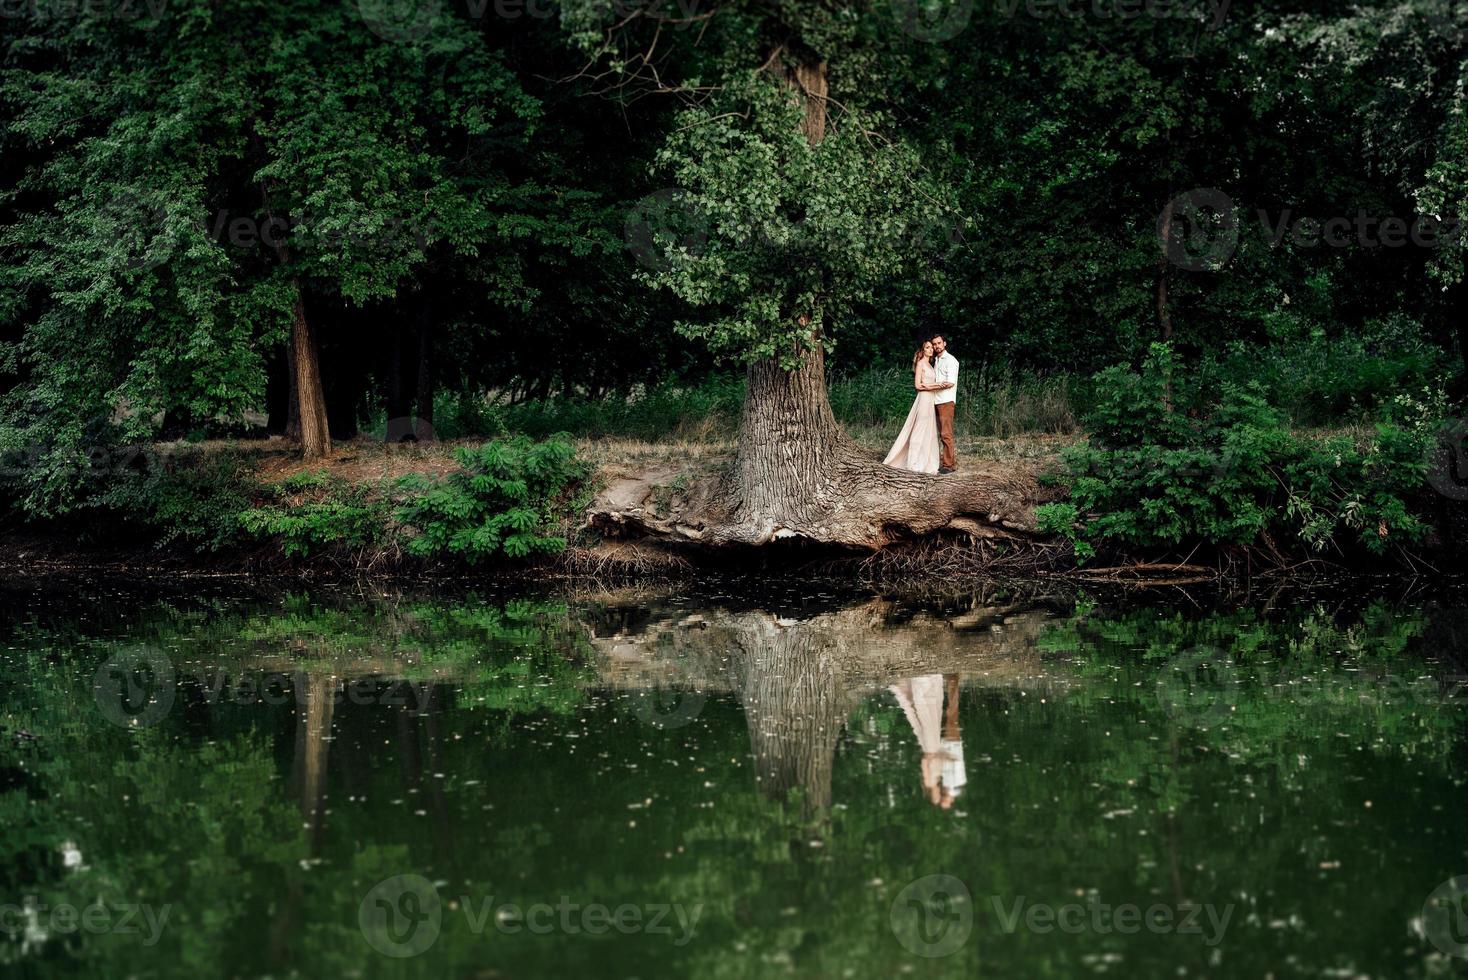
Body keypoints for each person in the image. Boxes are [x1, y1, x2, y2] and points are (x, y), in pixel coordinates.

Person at [882, 340, 942, 474]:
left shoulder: (930, 365)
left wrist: (934, 386)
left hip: (930, 400)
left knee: (929, 430)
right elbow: (917, 386)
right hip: (923, 399)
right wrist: (934, 386)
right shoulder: (921, 364)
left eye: (932, 348)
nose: (931, 350)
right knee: (919, 429)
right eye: (928, 348)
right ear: (922, 350)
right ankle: (913, 462)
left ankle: (926, 461)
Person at [930, 333, 958, 473]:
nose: (936, 346)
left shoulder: (950, 360)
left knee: (946, 434)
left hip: (946, 401)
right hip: (936, 400)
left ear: (944, 343)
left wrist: (931, 386)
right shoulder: (937, 360)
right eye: (934, 344)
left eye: (939, 343)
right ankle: (947, 462)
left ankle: (948, 465)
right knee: (940, 433)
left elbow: (950, 382)